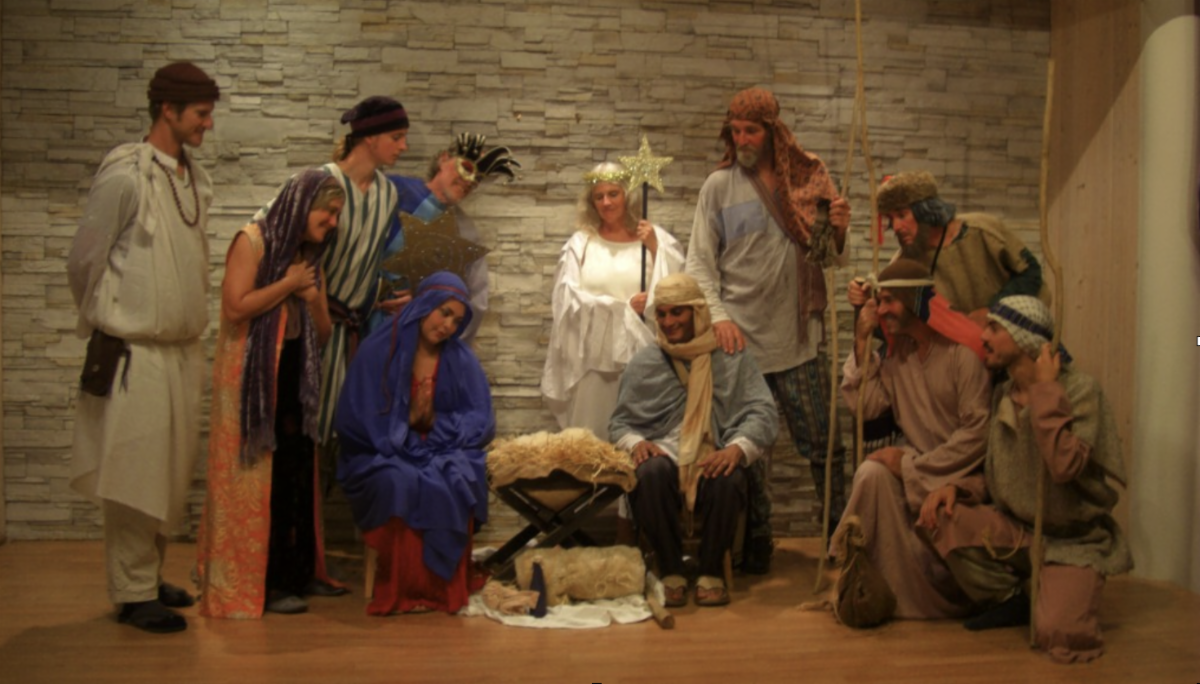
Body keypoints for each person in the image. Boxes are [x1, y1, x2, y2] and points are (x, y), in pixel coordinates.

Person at [65, 62, 220, 634]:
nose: (208, 124)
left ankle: (148, 577)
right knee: (135, 471)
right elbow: (85, 258)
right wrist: (109, 318)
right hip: (136, 348)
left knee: (168, 472)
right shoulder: (126, 173)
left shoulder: (192, 177)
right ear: (167, 110)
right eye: (200, 113)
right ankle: (131, 592)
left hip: (181, 349)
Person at [686, 86, 851, 573]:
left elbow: (829, 257)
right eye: (735, 130)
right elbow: (700, 262)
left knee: (824, 444)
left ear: (772, 132)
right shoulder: (718, 187)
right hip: (741, 342)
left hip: (799, 338)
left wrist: (841, 228)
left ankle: (840, 536)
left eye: (751, 131)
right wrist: (719, 318)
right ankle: (757, 540)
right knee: (749, 448)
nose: (742, 139)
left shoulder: (806, 180)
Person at [919, 295, 1132, 663]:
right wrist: (956, 488)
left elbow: (1064, 466)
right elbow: (996, 474)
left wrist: (1046, 393)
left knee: (1061, 636)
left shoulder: (1081, 391)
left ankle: (1056, 588)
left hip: (1071, 539)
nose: (982, 336)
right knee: (941, 517)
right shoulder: (1003, 393)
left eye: (994, 328)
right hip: (1017, 531)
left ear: (1023, 337)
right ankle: (1013, 597)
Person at [196, 169, 346, 618]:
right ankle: (265, 581)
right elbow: (234, 306)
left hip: (294, 376)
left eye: (337, 215)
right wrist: (288, 284)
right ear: (301, 206)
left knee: (295, 475)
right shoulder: (253, 241)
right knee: (262, 478)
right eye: (328, 212)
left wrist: (313, 298)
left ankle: (298, 572)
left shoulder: (309, 256)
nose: (333, 223)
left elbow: (322, 334)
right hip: (254, 381)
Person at [833, 259, 990, 619]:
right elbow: (867, 406)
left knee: (890, 472)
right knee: (871, 474)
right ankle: (862, 578)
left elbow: (977, 434)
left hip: (959, 475)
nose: (880, 310)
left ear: (916, 301)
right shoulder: (896, 355)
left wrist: (908, 466)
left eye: (889, 301)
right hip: (917, 468)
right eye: (879, 302)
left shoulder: (961, 356)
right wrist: (861, 340)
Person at [610, 273, 778, 607]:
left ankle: (710, 571)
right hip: (665, 458)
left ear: (698, 312)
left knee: (728, 477)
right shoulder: (645, 362)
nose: (668, 322)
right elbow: (620, 422)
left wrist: (736, 449)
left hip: (713, 453)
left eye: (678, 312)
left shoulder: (731, 356)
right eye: (662, 313)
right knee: (649, 473)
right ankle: (671, 569)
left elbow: (762, 411)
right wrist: (636, 443)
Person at [335, 272, 494, 615]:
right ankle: (404, 588)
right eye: (444, 313)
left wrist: (435, 422)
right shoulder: (378, 350)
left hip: (442, 446)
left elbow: (480, 418)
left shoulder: (461, 359)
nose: (448, 326)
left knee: (458, 476)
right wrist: (402, 421)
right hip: (382, 448)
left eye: (457, 320)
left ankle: (440, 590)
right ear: (424, 306)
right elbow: (355, 416)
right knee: (399, 479)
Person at [541, 161, 686, 438]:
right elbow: (567, 298)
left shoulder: (654, 238)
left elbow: (678, 289)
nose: (606, 202)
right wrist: (623, 309)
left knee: (639, 438)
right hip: (594, 360)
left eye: (613, 194)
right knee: (592, 436)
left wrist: (656, 250)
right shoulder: (581, 243)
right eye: (599, 197)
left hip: (641, 356)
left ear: (627, 195)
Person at [373, 133, 520, 340]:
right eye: (467, 168)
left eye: (478, 179)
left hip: (413, 338)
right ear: (443, 159)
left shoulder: (466, 234)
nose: (470, 181)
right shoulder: (392, 192)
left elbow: (474, 299)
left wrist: (427, 303)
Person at [858, 170, 1048, 328]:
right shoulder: (905, 261)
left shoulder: (982, 231)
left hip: (1013, 339)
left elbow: (1030, 273)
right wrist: (865, 299)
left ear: (926, 210)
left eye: (902, 215)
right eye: (891, 219)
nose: (896, 227)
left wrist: (993, 310)